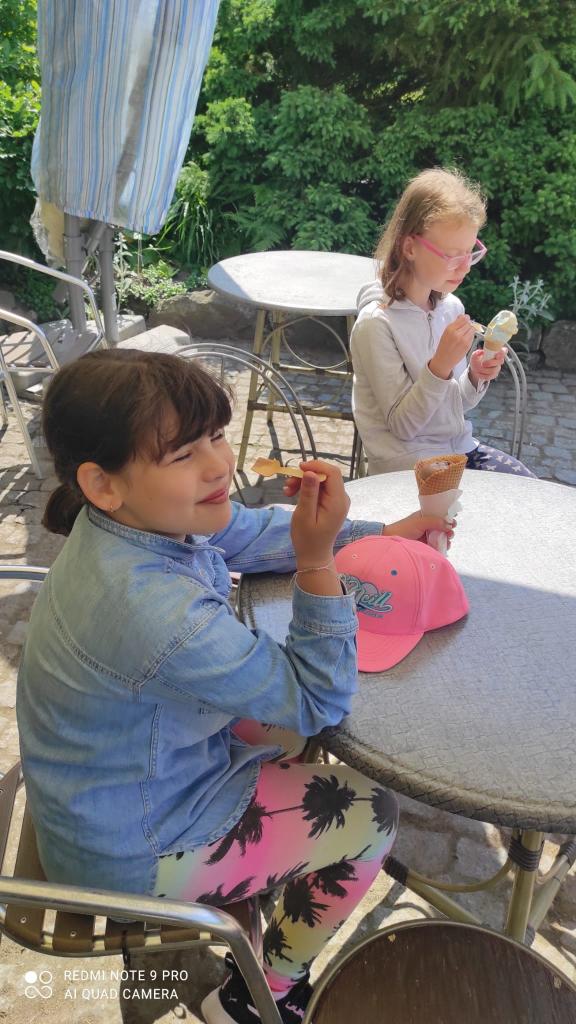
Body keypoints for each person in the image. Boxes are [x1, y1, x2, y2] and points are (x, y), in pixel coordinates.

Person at [16, 349, 453, 1024]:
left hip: (105, 793)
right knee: (370, 814)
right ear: (102, 483)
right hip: (132, 849)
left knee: (281, 730)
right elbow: (318, 699)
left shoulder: (130, 523)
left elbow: (241, 533)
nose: (219, 465)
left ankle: (260, 897)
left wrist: (376, 536)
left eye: (216, 435)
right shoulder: (153, 609)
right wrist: (316, 561)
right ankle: (259, 993)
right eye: (182, 453)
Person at [350, 166, 535, 477]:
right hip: (408, 467)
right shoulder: (376, 324)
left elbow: (455, 405)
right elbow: (403, 426)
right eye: (452, 256)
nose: (465, 267)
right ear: (410, 247)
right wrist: (440, 366)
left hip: (457, 450)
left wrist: (474, 376)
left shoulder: (450, 308)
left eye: (470, 253)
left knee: (529, 488)